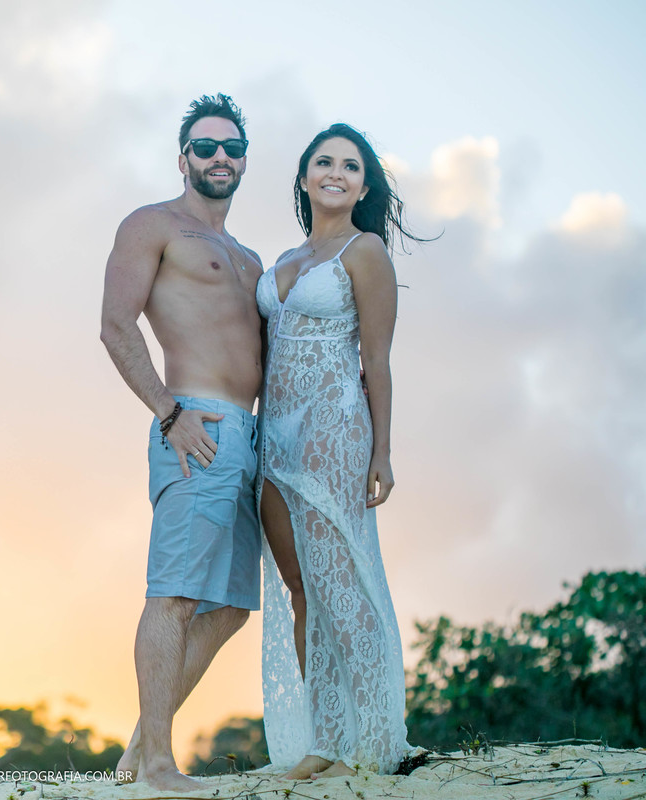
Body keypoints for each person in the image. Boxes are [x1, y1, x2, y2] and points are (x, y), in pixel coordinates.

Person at [100, 94, 264, 793]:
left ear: (244, 162)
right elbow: (115, 324)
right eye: (205, 146)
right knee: (173, 595)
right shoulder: (153, 224)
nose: (219, 156)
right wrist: (170, 414)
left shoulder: (249, 256)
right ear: (183, 158)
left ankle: (140, 751)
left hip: (251, 437)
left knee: (229, 606)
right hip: (195, 426)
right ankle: (159, 766)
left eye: (232, 147)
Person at [256, 123, 427, 778]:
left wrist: (382, 452)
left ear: (362, 186)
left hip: (333, 435)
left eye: (350, 166)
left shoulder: (366, 251)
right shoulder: (284, 257)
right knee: (303, 589)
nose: (336, 172)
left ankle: (377, 741)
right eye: (324, 162)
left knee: (343, 586)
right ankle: (326, 741)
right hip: (273, 437)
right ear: (304, 177)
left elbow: (377, 361)